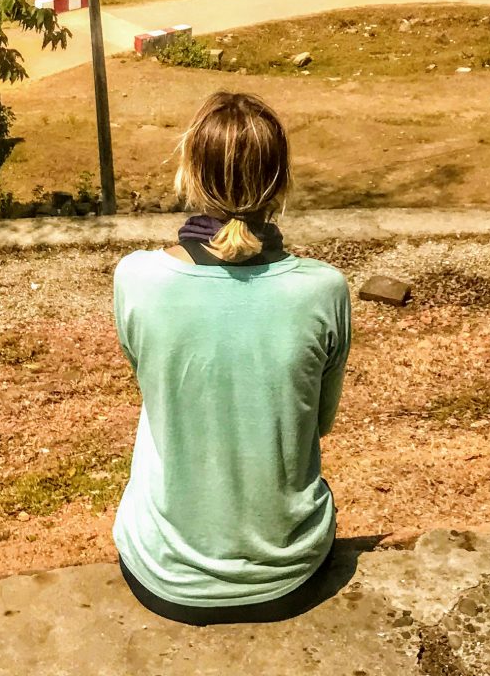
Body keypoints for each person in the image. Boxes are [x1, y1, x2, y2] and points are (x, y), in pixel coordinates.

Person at [112, 92, 352, 625]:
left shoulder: (136, 279)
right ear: (281, 184)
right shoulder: (324, 290)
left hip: (164, 574)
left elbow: (154, 388)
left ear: (190, 175)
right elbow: (320, 422)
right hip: (289, 575)